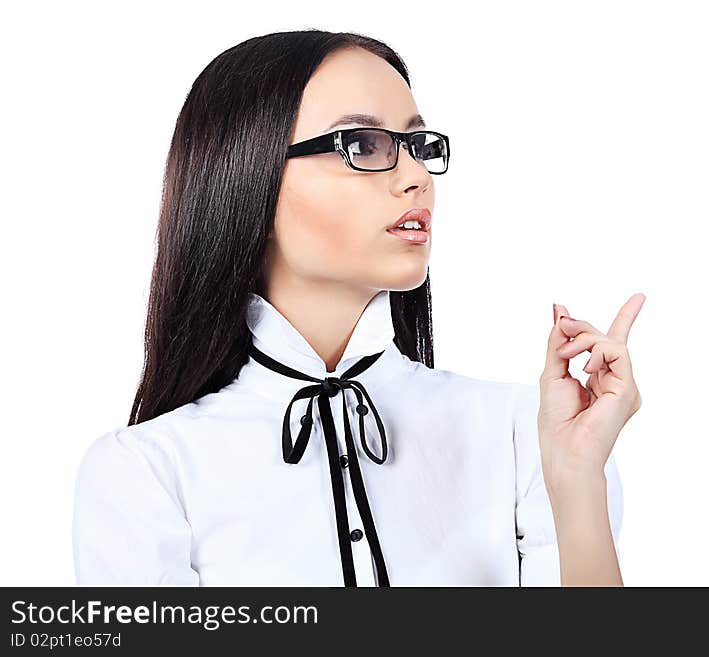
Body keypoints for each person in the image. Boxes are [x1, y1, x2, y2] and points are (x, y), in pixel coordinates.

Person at [72, 29, 643, 587]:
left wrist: (576, 483)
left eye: (419, 146)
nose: (417, 176)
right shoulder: (147, 473)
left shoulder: (526, 434)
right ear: (248, 177)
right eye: (363, 145)